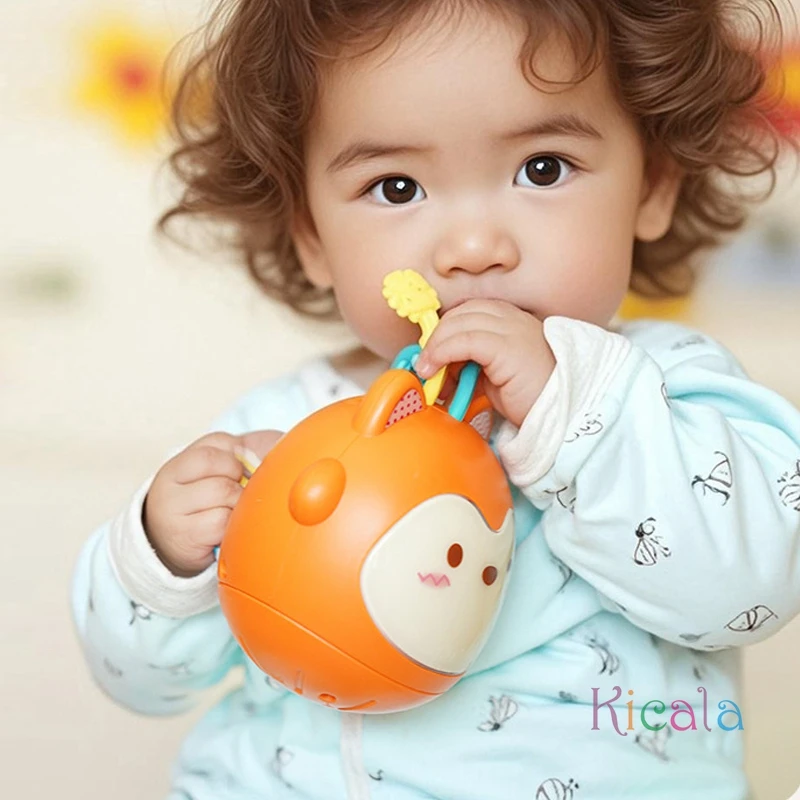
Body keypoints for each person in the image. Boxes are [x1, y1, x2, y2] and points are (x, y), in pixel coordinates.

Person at [71, 1, 800, 797]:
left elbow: (749, 592)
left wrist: (571, 416)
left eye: (543, 169)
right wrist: (164, 554)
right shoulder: (282, 431)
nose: (473, 249)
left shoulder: (666, 393)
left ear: (651, 185)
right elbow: (139, 683)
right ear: (312, 235)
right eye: (396, 187)